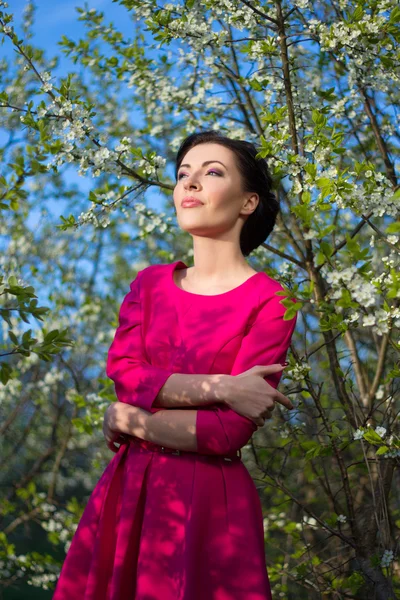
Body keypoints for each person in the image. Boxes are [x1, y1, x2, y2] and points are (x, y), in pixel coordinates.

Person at [52, 130, 298, 600]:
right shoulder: (149, 286)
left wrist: (131, 419)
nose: (191, 183)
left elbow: (227, 433)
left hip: (209, 501)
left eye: (212, 172)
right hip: (129, 489)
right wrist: (222, 388)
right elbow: (125, 376)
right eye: (183, 174)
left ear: (248, 202)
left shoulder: (273, 301)